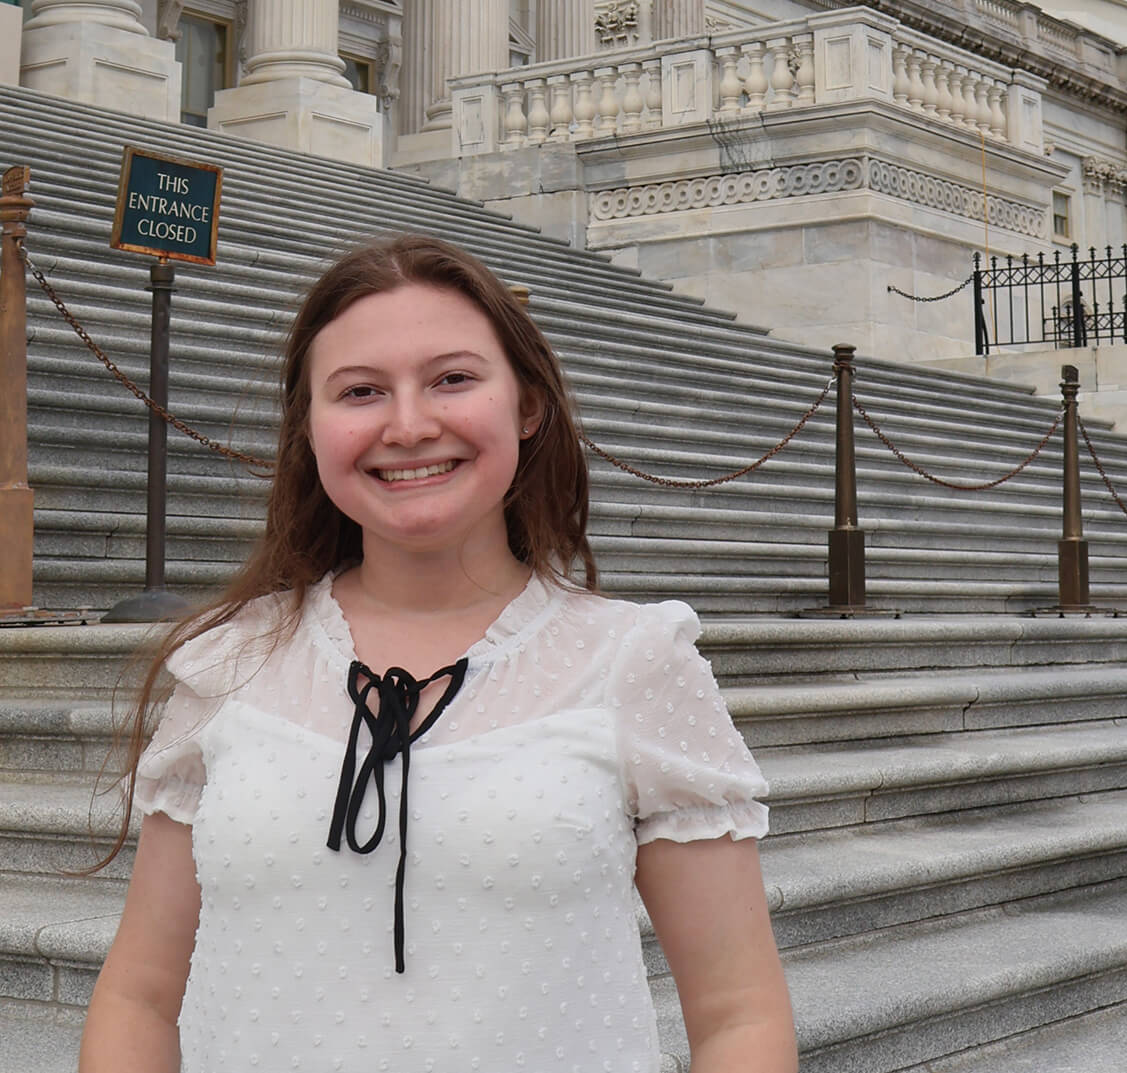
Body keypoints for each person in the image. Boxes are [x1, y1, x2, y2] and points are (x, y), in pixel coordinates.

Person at [79, 234, 798, 1073]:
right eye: (360, 391)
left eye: (452, 378)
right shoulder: (227, 662)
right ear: (309, 428)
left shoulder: (632, 660)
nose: (409, 424)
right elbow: (139, 996)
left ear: (526, 404)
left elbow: (737, 1013)